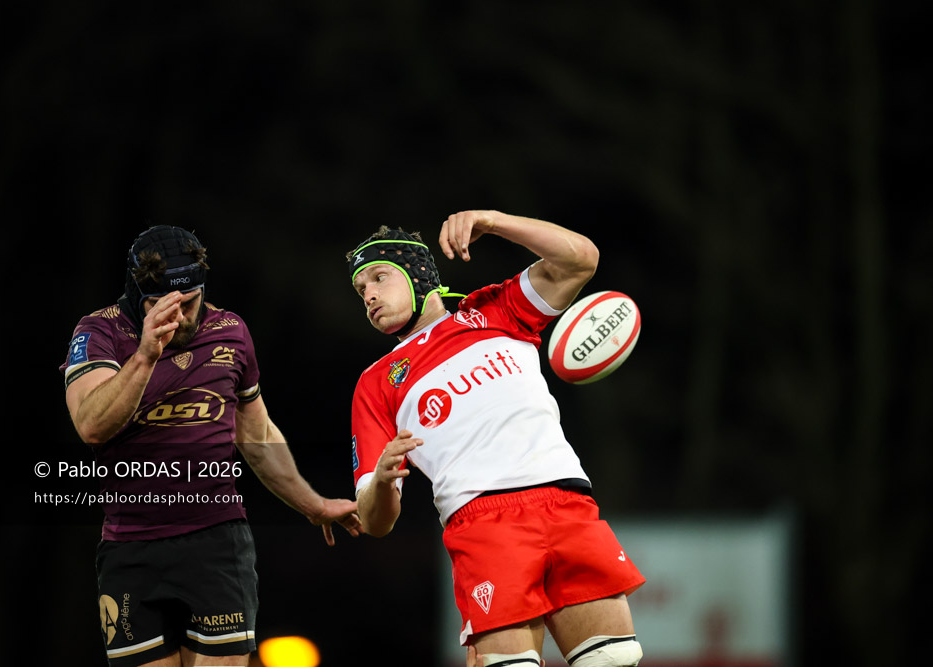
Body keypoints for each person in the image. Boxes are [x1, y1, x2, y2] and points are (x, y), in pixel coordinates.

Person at [347, 211, 646, 667]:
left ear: (418, 274)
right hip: (483, 524)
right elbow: (374, 521)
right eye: (360, 290)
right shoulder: (376, 383)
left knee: (615, 660)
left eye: (378, 278)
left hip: (567, 502)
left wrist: (494, 221)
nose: (368, 294)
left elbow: (581, 259)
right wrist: (385, 481)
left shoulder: (496, 310)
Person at [60, 224, 361, 667]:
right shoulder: (99, 332)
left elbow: (257, 435)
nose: (181, 318)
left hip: (215, 544)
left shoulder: (230, 331)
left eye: (191, 302)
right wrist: (145, 355)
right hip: (130, 549)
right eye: (165, 305)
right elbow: (91, 425)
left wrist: (312, 505)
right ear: (137, 296)